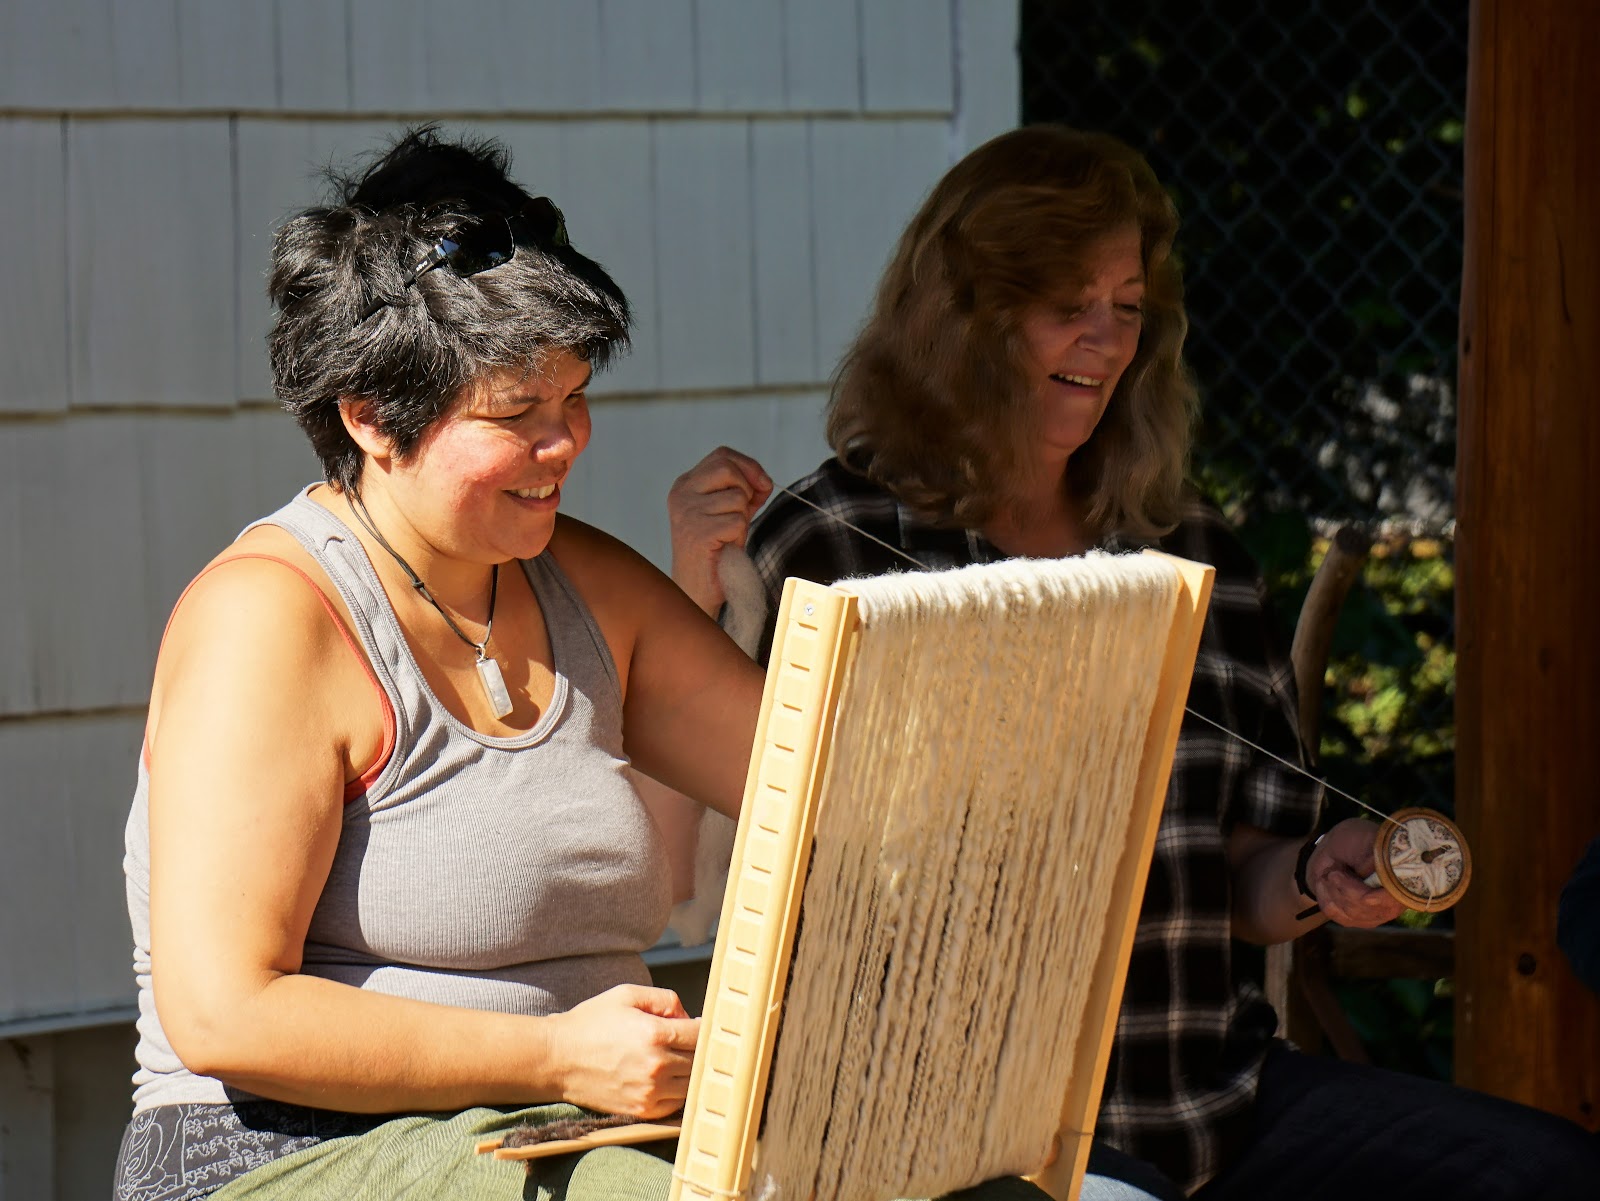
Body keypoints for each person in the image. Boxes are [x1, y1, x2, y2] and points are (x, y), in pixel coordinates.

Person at [113, 128, 1054, 1201]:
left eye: (573, 399)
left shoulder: (584, 585)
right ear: (371, 418)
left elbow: (832, 786)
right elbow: (226, 1011)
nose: (567, 444)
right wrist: (559, 1055)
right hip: (285, 1154)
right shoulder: (269, 619)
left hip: (573, 1138)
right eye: (518, 415)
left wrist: (1026, 729)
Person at [669, 125, 1600, 1199]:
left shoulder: (1192, 553)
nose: (1106, 340)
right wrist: (694, 595)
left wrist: (1317, 872)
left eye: (1128, 306)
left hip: (1205, 1099)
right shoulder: (831, 542)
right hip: (940, 1134)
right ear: (967, 311)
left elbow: (1247, 887)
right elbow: (718, 869)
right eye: (1070, 303)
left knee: (1547, 1176)